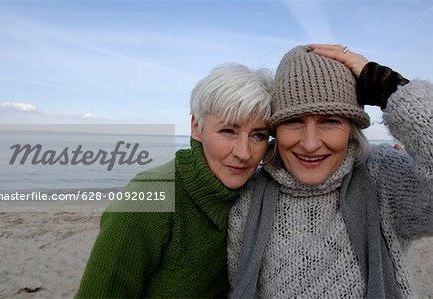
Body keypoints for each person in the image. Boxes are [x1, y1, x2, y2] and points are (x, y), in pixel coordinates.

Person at [228, 44, 433, 298]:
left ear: (351, 127)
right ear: (275, 128)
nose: (311, 143)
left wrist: (392, 90)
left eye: (330, 121)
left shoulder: (383, 179)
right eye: (293, 121)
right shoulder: (249, 201)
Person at [75, 63, 273, 298]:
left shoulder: (259, 195)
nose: (244, 153)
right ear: (195, 128)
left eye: (258, 135)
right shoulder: (148, 197)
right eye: (228, 131)